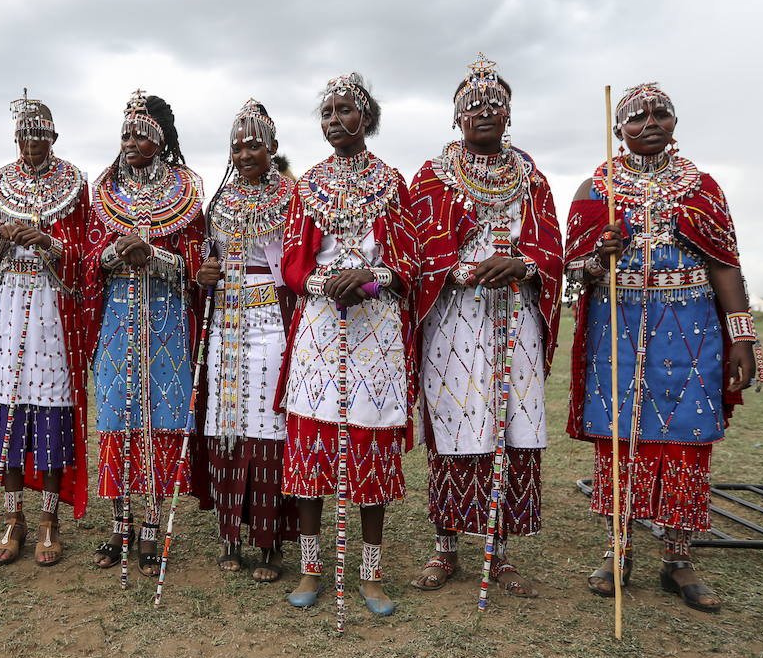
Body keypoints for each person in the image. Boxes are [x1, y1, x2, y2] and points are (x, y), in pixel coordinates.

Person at [565, 83, 763, 612]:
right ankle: (617, 551)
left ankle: (678, 558)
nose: (649, 122)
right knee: (620, 438)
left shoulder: (701, 187)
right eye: (636, 116)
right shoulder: (595, 188)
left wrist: (742, 334)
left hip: (692, 326)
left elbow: (725, 264)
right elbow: (572, 272)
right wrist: (598, 255)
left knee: (686, 437)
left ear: (675, 122)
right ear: (618, 130)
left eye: (661, 113)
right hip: (619, 325)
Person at [409, 55, 563, 600]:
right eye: (471, 105)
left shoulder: (531, 177)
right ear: (455, 117)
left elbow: (552, 246)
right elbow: (416, 249)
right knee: (454, 423)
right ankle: (445, 545)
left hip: (515, 313)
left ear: (509, 114)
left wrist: (524, 265)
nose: (483, 112)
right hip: (453, 316)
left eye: (494, 104)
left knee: (511, 427)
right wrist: (457, 270)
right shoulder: (431, 176)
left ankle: (500, 552)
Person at [276, 74, 418, 614]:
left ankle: (371, 573)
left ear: (369, 119)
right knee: (312, 447)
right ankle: (312, 570)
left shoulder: (393, 184)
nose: (334, 120)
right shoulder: (307, 185)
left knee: (370, 446)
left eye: (345, 111)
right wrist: (325, 283)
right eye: (326, 112)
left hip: (375, 329)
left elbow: (409, 266)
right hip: (318, 326)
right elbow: (292, 265)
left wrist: (370, 280)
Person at [87, 90, 206, 577]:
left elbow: (198, 263)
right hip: (117, 317)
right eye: (125, 134)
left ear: (160, 140)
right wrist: (118, 252)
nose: (130, 142)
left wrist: (152, 255)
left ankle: (153, 522)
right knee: (118, 416)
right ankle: (120, 523)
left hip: (167, 319)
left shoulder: (186, 191)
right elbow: (91, 259)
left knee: (159, 413)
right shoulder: (105, 191)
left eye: (140, 134)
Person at [0, 95, 95, 568]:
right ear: (15, 138)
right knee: (6, 408)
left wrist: (49, 242)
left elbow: (87, 251)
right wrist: (0, 240)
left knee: (49, 412)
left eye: (40, 134)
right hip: (7, 306)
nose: (31, 142)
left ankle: (48, 518)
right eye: (24, 134)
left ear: (54, 137)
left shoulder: (75, 183)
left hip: (52, 310)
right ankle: (14, 517)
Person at [194, 100, 297, 583]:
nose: (243, 153)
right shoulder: (220, 201)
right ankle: (230, 537)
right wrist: (206, 274)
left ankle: (273, 543)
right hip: (226, 324)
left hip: (272, 321)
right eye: (236, 146)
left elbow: (298, 263)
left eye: (253, 144)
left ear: (273, 148)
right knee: (226, 423)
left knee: (271, 426)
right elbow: (206, 260)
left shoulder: (293, 197)